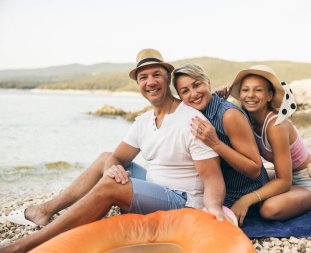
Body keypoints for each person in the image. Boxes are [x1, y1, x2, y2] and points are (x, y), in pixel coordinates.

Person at [1, 49, 227, 253]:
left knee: (110, 183)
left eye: (156, 74)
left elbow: (213, 177)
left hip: (183, 201)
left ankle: (25, 246)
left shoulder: (191, 120)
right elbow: (116, 157)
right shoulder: (144, 120)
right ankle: (45, 211)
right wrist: (113, 169)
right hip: (157, 186)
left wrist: (214, 210)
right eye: (143, 77)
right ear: (138, 84)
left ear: (168, 78)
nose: (150, 82)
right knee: (105, 159)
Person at [218, 65, 311, 222]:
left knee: (269, 209)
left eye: (258, 90)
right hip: (282, 174)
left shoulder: (275, 126)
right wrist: (216, 98)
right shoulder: (247, 118)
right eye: (245, 90)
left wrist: (247, 199)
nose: (250, 95)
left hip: (307, 181)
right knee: (235, 183)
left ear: (269, 95)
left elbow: (285, 182)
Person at [172, 63, 269, 226]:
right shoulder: (196, 114)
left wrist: (216, 144)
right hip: (216, 191)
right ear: (180, 98)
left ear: (207, 83)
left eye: (197, 85)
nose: (193, 94)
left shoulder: (229, 115)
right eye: (185, 91)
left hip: (242, 195)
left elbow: (255, 169)